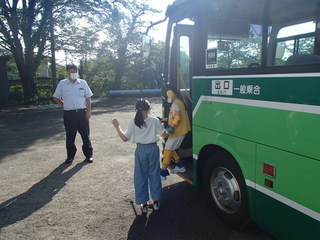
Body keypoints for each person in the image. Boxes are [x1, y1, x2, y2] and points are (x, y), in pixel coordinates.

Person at [111, 99, 166, 213]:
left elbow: (125, 138)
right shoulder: (154, 120)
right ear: (149, 109)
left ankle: (144, 203)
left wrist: (117, 126)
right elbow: (163, 134)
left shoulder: (133, 121)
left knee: (141, 176)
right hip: (153, 149)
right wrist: (172, 127)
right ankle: (155, 201)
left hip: (140, 150)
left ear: (136, 109)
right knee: (154, 174)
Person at [53, 64, 94, 164]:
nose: (73, 74)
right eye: (71, 72)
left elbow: (88, 99)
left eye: (75, 72)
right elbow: (56, 97)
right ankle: (70, 156)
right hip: (69, 114)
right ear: (67, 72)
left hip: (82, 113)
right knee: (70, 136)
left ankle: (88, 155)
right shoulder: (62, 84)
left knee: (85, 135)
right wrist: (64, 104)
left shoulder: (82, 83)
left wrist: (88, 112)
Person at [160, 88, 191, 181]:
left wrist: (169, 129)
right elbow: (173, 116)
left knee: (167, 150)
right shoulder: (179, 102)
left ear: (172, 94)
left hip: (177, 132)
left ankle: (162, 174)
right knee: (170, 148)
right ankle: (180, 166)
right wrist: (163, 119)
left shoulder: (176, 104)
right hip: (179, 131)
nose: (168, 97)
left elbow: (177, 118)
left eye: (168, 95)